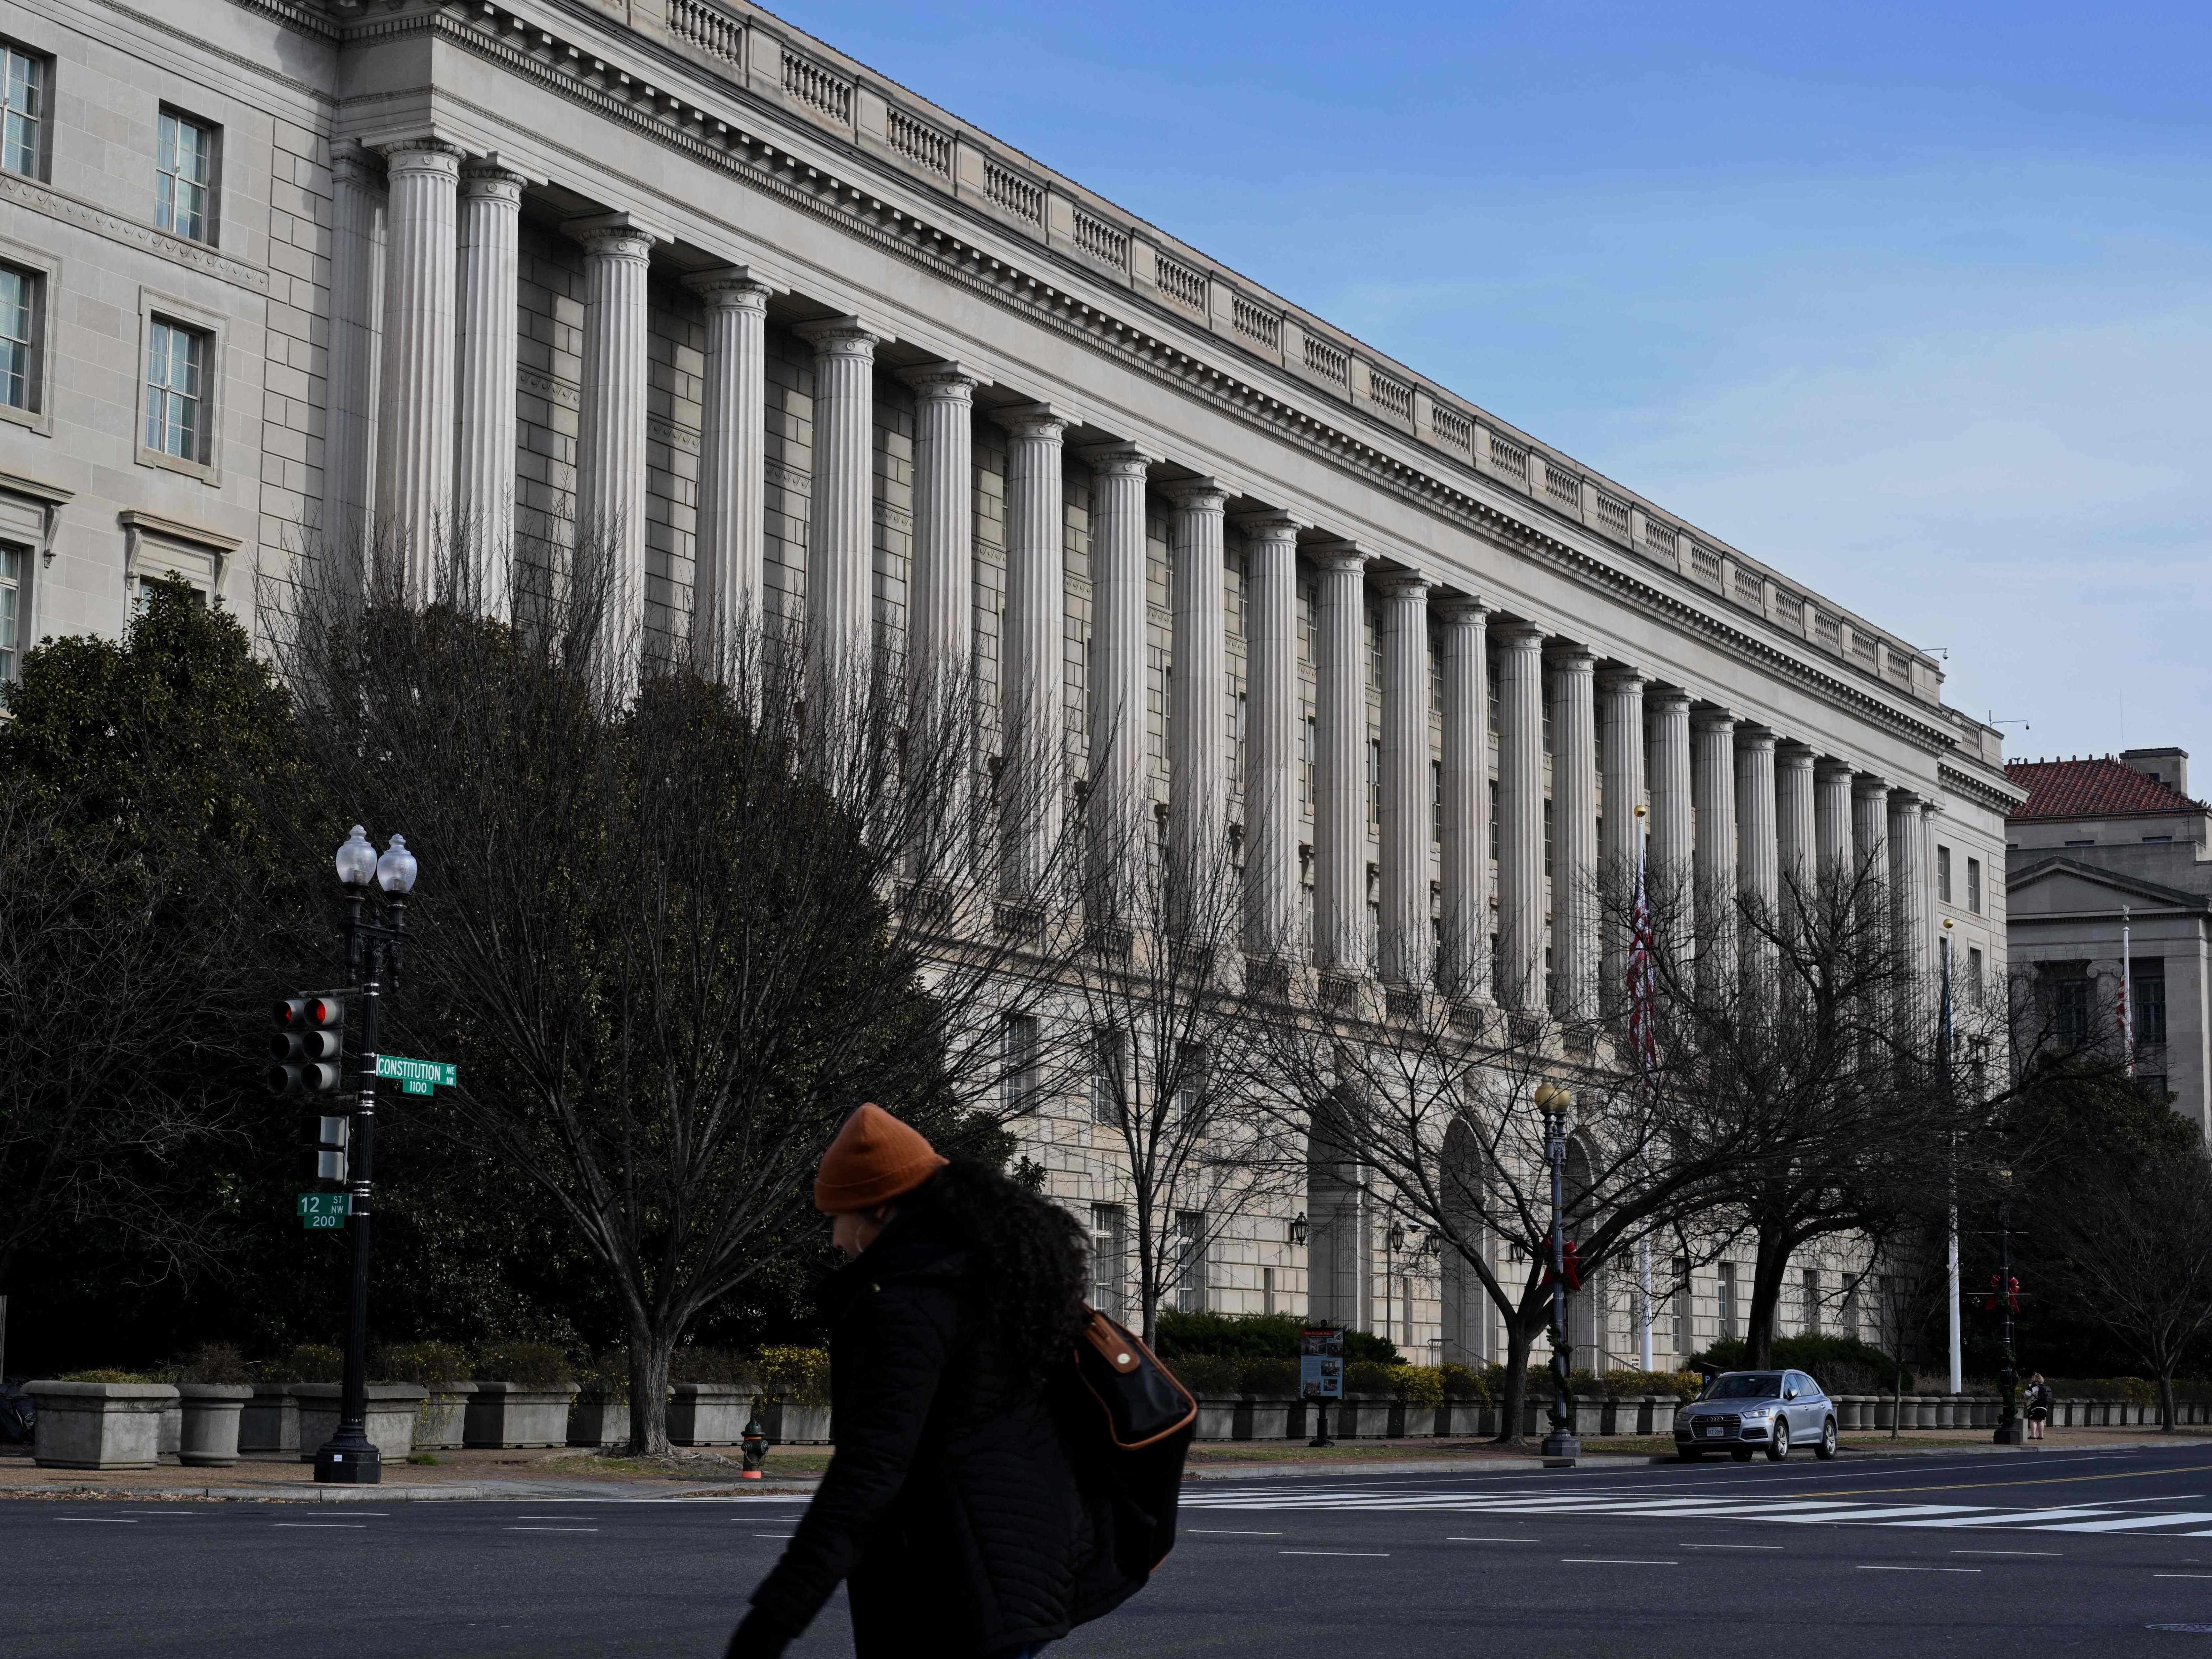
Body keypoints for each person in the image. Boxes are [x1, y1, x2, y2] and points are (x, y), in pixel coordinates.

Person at [723, 1104, 1139, 1659]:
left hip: (956, 1592)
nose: (835, 1239)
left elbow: (866, 1476)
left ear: (878, 1209)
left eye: (837, 1217)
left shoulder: (907, 1307)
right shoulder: (992, 1281)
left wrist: (771, 1622)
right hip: (1024, 1574)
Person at [2024, 1372, 2052, 1440]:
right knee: (2040, 1420)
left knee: (2033, 1420)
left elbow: (2028, 1395)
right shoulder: (2045, 1386)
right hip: (2044, 1405)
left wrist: (2024, 1396)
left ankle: (2033, 1436)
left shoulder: (2032, 1386)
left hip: (2034, 1405)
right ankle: (2041, 1436)